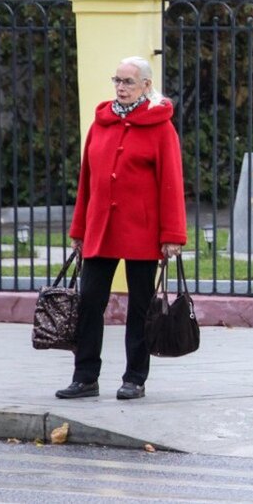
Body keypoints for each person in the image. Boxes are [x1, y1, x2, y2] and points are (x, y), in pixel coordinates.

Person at [56, 56, 187, 401]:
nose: (121, 87)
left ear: (146, 85)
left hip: (142, 232)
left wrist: (172, 235)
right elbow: (87, 181)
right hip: (101, 229)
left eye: (128, 81)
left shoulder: (161, 127)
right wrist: (79, 229)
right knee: (89, 303)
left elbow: (171, 182)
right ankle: (85, 376)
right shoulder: (101, 123)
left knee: (140, 308)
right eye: (117, 80)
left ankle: (135, 378)